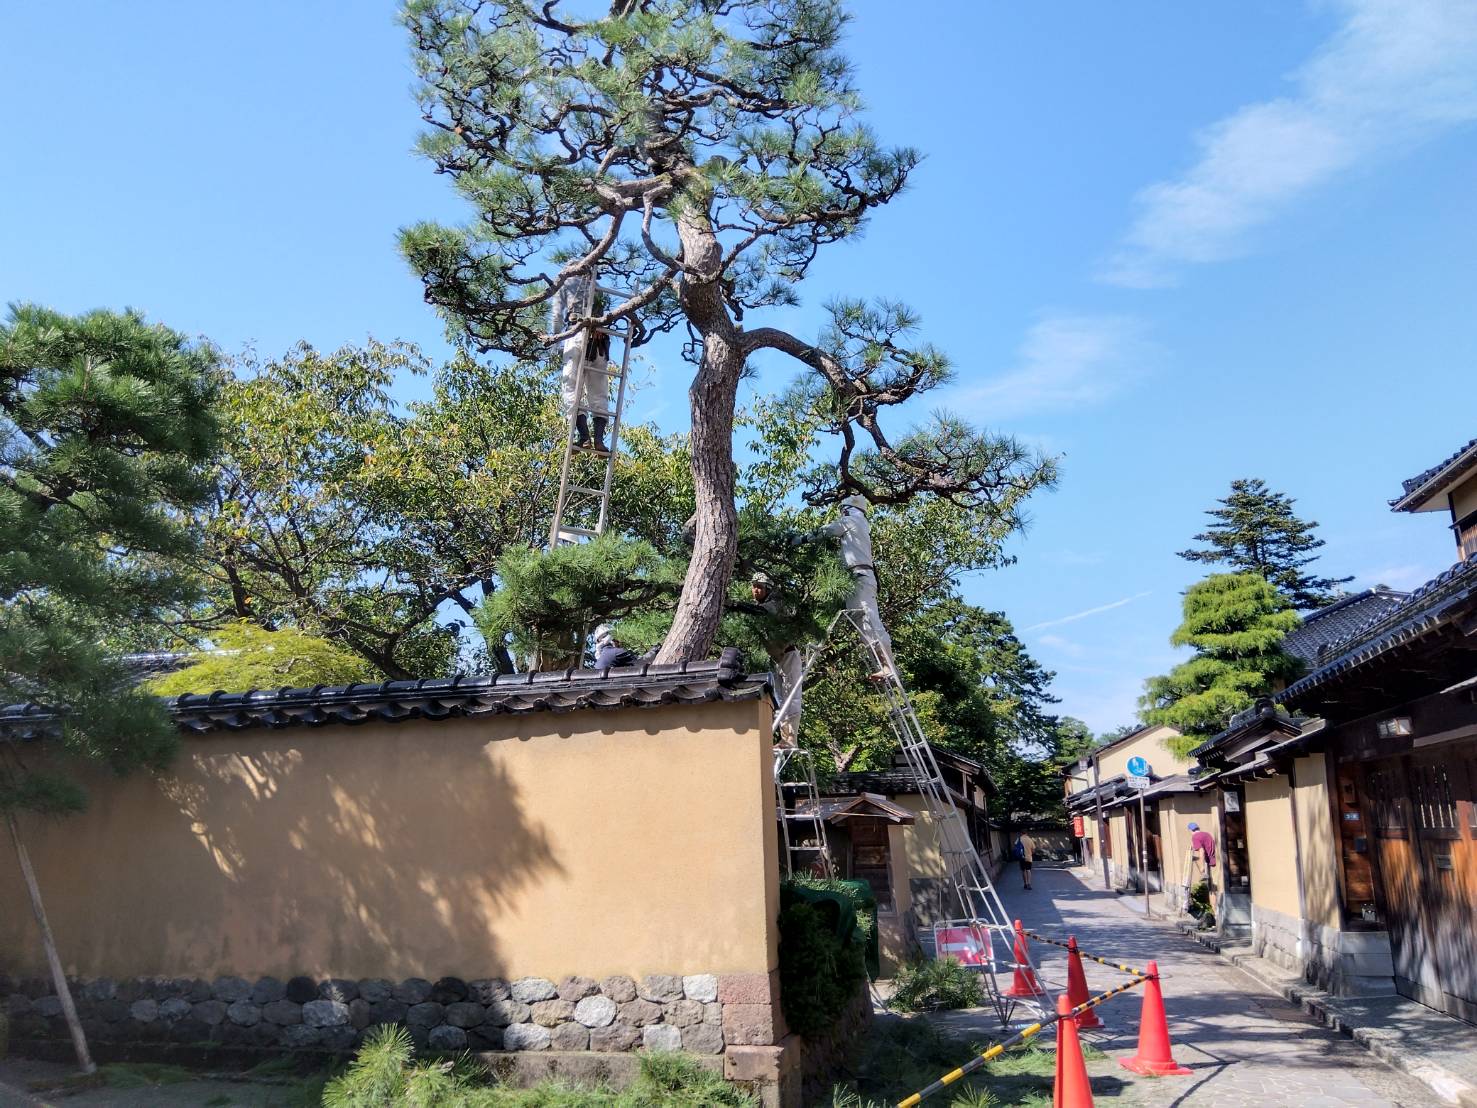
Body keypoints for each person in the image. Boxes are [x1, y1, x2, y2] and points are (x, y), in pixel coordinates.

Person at [819, 495, 893, 680]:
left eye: (843, 510)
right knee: (863, 626)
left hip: (860, 576)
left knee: (870, 621)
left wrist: (798, 539)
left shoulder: (852, 520)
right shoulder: (860, 525)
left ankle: (888, 666)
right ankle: (882, 665)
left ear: (848, 509)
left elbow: (826, 531)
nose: (842, 513)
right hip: (856, 578)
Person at [549, 276, 613, 452]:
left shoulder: (566, 283)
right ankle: (599, 440)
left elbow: (557, 316)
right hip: (599, 342)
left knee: (570, 388)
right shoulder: (598, 287)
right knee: (599, 392)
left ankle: (584, 437)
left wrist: (554, 343)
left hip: (576, 334)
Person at [751, 572, 803, 746]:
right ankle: (784, 738)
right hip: (777, 659)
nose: (756, 590)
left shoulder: (776, 603)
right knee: (779, 700)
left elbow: (763, 611)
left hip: (788, 655)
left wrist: (737, 606)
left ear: (768, 589)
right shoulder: (759, 606)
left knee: (792, 697)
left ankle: (791, 739)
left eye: (759, 587)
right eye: (754, 586)